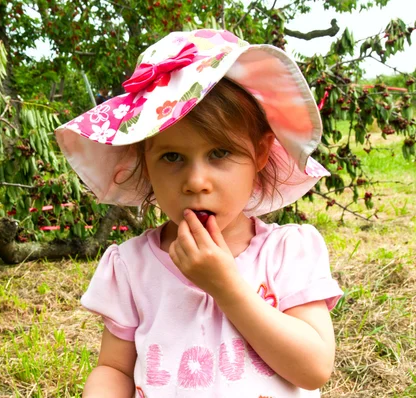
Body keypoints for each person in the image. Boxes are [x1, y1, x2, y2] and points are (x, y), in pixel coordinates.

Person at [55, 28, 343, 397]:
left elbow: (313, 368)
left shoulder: (287, 253)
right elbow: (113, 368)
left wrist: (226, 285)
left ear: (259, 154)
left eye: (219, 154)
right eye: (172, 157)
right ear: (144, 163)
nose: (196, 181)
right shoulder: (131, 267)